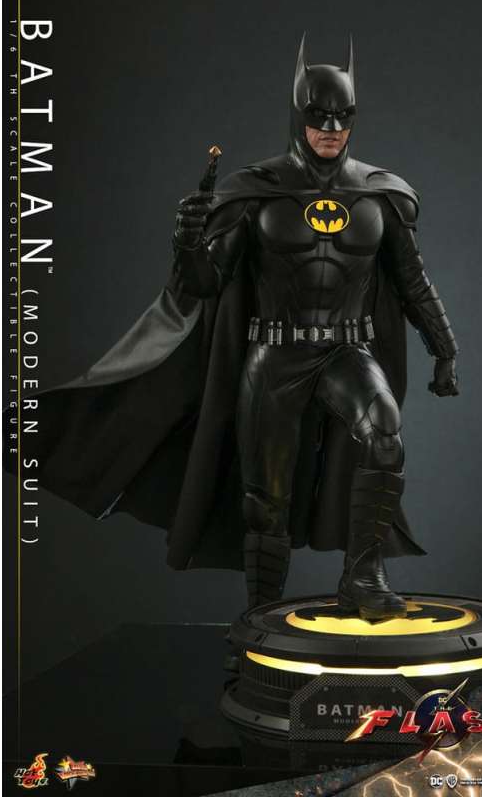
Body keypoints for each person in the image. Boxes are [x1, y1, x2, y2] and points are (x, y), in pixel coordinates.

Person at [171, 36, 459, 619]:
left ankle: (363, 579)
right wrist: (187, 240)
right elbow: (204, 284)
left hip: (346, 350)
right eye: (318, 115)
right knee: (265, 499)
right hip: (274, 353)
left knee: (384, 431)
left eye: (342, 116)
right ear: (297, 114)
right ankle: (260, 622)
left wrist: (444, 348)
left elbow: (412, 279)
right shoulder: (256, 189)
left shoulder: (379, 193)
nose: (331, 128)